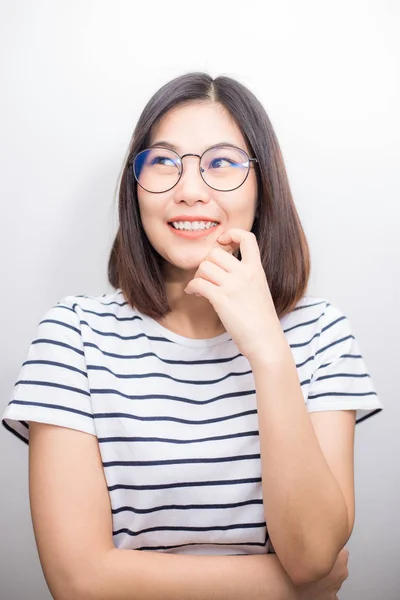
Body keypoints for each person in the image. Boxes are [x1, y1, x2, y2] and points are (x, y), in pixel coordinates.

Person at [2, 72, 383, 600]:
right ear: (134, 188)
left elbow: (313, 551)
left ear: (262, 183)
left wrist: (269, 353)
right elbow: (79, 581)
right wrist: (291, 590)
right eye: (162, 161)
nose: (189, 191)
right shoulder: (74, 337)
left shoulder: (322, 335)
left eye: (222, 163)